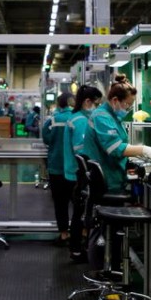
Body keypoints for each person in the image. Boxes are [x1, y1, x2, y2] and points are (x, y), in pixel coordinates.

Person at [83, 74, 151, 195]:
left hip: (114, 177)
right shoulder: (101, 117)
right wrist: (144, 150)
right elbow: (115, 148)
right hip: (107, 183)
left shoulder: (113, 117)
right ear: (115, 100)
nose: (128, 109)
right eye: (127, 105)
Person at [63, 84, 103, 261]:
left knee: (79, 212)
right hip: (79, 173)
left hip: (76, 172)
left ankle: (78, 248)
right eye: (97, 103)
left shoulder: (80, 117)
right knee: (80, 213)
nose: (98, 107)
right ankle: (77, 250)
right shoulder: (80, 121)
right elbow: (82, 151)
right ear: (88, 102)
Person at [42, 92, 75, 245]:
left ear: (59, 104)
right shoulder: (78, 119)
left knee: (60, 202)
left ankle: (63, 234)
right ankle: (80, 233)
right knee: (78, 202)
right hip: (75, 168)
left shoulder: (52, 120)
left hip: (56, 166)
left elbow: (46, 139)